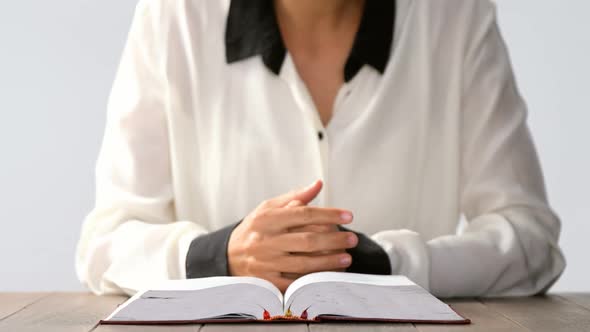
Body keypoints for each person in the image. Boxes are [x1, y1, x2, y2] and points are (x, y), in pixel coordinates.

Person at [76, 0, 566, 297]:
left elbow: (530, 241)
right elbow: (105, 243)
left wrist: (390, 263)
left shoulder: (455, 18)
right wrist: (219, 255)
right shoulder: (175, 16)